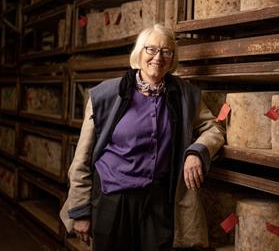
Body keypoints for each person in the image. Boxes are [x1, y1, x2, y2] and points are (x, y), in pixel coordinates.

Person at [60, 24, 225, 251]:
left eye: (166, 51)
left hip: (158, 202)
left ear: (172, 58)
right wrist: (80, 210)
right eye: (151, 49)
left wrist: (197, 151)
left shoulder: (184, 95)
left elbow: (214, 128)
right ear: (139, 52)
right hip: (113, 200)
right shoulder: (107, 95)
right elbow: (82, 159)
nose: (158, 57)